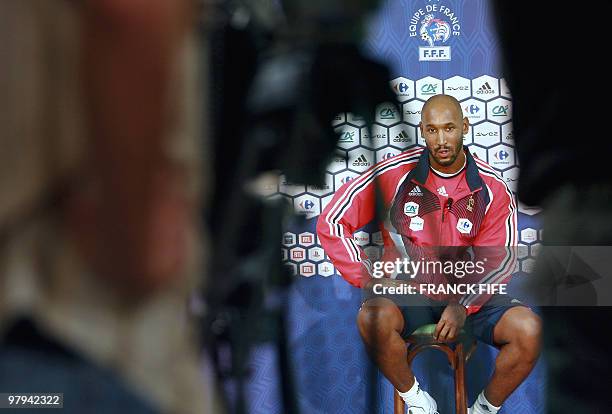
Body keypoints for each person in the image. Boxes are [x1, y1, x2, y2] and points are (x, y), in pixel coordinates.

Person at [317, 94, 541, 413]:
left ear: (464, 126)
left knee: (528, 330)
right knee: (373, 318)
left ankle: (483, 410)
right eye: (432, 130)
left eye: (449, 128)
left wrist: (463, 304)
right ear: (422, 131)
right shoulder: (395, 174)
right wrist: (368, 277)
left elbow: (499, 258)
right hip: (411, 295)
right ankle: (420, 404)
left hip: (469, 297)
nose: (441, 139)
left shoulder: (492, 186)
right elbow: (332, 221)